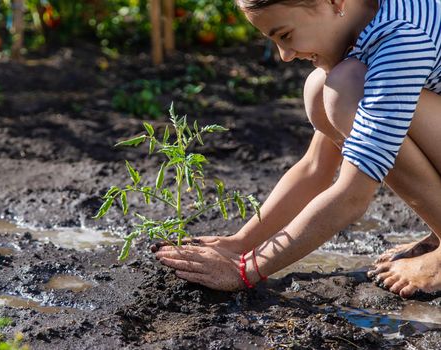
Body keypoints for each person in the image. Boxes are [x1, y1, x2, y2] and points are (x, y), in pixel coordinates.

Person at [154, 0, 441, 298]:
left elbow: (353, 195)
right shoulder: (365, 25)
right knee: (322, 88)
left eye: (286, 35)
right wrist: (240, 244)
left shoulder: (401, 38)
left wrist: (247, 270)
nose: (285, 55)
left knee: (347, 85)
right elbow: (316, 168)